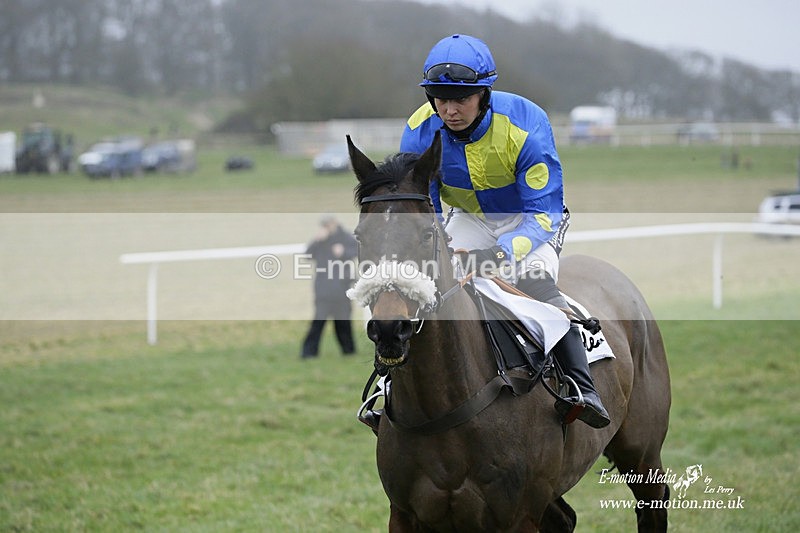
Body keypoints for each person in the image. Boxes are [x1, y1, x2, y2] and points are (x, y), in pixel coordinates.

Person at [399, 34, 609, 428]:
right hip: (468, 218)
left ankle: (582, 388)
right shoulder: (419, 129)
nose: (449, 109)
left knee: (535, 285)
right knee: (429, 285)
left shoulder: (526, 123)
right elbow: (424, 206)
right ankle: (391, 388)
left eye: (460, 98)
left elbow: (542, 214)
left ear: (484, 93)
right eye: (440, 99)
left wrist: (498, 255)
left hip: (530, 220)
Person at [301, 215, 358, 358]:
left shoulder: (346, 237)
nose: (326, 228)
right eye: (324, 225)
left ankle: (349, 351)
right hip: (323, 290)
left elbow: (357, 251)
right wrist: (316, 240)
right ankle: (308, 353)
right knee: (318, 322)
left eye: (328, 225)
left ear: (335, 223)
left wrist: (343, 252)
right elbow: (308, 255)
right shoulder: (321, 241)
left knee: (343, 324)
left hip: (341, 288)